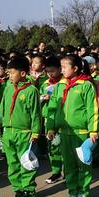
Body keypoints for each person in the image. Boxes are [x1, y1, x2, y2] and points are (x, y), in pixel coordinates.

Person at [46, 55, 99, 197]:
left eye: (64, 67)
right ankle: (72, 192)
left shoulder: (86, 85)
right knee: (68, 165)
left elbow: (92, 109)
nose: (61, 70)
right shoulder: (60, 86)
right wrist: (51, 127)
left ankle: (84, 192)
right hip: (64, 132)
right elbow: (53, 108)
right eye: (61, 67)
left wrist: (93, 130)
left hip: (81, 132)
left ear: (75, 68)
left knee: (83, 164)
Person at [0, 56, 41, 197]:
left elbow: (35, 114)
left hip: (24, 133)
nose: (9, 75)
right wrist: (1, 128)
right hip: (8, 132)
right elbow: (2, 108)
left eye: (12, 72)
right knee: (12, 163)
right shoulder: (8, 87)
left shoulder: (31, 90)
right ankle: (18, 189)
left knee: (25, 162)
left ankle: (28, 190)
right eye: (8, 72)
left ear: (22, 73)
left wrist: (35, 132)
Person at [40, 56, 64, 184]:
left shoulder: (64, 83)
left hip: (62, 118)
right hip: (48, 118)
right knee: (52, 146)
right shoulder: (45, 84)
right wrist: (42, 98)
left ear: (60, 69)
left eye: (53, 71)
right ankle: (56, 172)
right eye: (48, 71)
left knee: (64, 147)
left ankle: (68, 171)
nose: (50, 74)